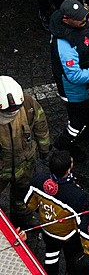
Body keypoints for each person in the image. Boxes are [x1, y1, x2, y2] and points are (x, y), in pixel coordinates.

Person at [50, 0, 89, 161]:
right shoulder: (64, 45)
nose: (85, 19)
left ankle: (85, 128)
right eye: (80, 18)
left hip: (88, 85)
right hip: (75, 91)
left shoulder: (79, 21)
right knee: (77, 121)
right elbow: (74, 76)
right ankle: (66, 144)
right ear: (66, 20)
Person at [25, 150, 89, 275]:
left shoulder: (39, 180)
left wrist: (45, 212)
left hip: (47, 230)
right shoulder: (76, 195)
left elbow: (28, 203)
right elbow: (80, 223)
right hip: (68, 236)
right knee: (73, 258)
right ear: (68, 171)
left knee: (51, 256)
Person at [0, 76, 50, 228]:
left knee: (22, 194)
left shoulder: (28, 105)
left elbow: (41, 126)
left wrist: (44, 149)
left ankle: (21, 215)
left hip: (25, 165)